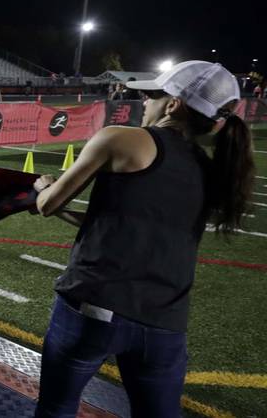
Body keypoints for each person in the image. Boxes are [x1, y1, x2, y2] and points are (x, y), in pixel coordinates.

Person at [31, 61, 254, 417]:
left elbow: (47, 204)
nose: (144, 103)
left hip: (95, 307)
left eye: (152, 95)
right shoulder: (212, 169)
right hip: (165, 322)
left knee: (57, 407)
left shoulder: (121, 137)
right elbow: (123, 225)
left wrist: (43, 187)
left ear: (173, 104)